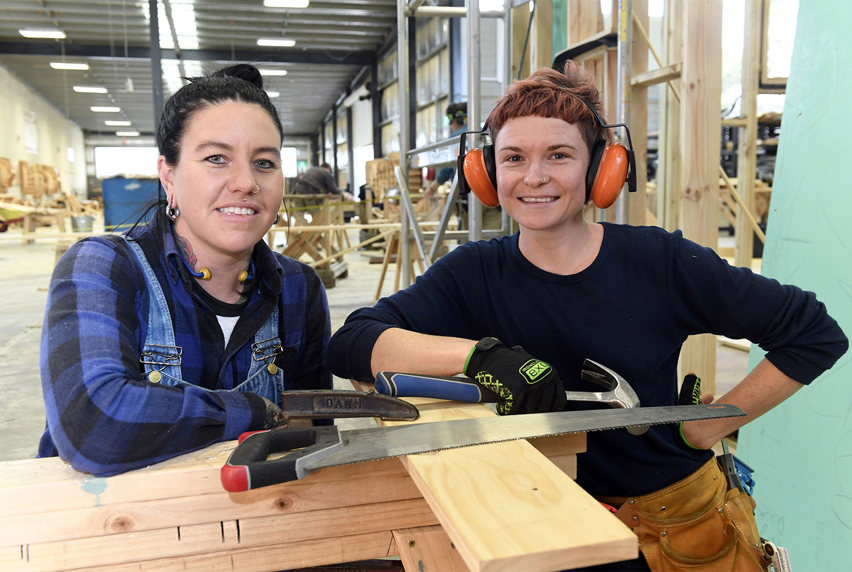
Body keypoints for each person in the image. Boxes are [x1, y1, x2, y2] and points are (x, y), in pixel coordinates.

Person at [326, 63, 848, 570]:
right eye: (513, 158)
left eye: (558, 155)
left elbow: (813, 334)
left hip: (667, 526)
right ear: (485, 173)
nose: (535, 177)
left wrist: (710, 428)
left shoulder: (661, 262)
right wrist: (477, 356)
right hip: (530, 522)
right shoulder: (473, 273)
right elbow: (352, 344)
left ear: (601, 167)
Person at [38, 64, 333, 476]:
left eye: (264, 162)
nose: (246, 181)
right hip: (110, 527)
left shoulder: (299, 288)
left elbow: (313, 434)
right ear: (168, 175)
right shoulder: (103, 268)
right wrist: (253, 412)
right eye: (216, 158)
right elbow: (94, 425)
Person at [426, 102, 468, 197]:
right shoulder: (484, 132)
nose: (451, 125)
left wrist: (432, 188)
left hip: (466, 191)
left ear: (459, 119)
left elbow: (447, 168)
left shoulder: (456, 137)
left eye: (451, 121)